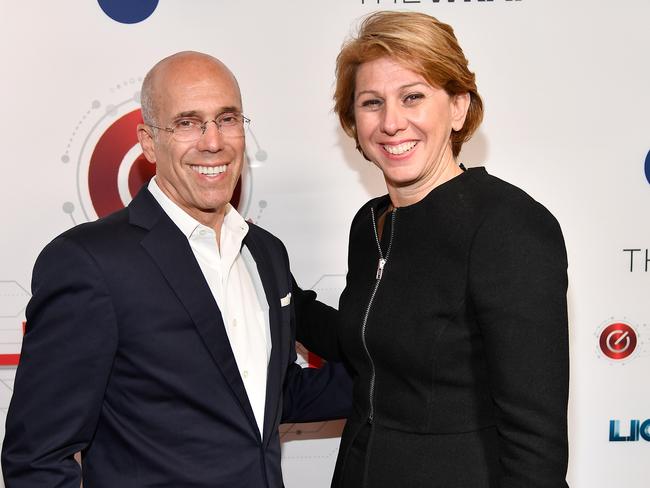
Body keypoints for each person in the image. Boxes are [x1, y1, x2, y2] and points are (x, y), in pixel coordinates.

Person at [2, 51, 351, 488]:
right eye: (187, 123)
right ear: (148, 142)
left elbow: (271, 396)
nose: (212, 141)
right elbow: (36, 457)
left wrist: (408, 377)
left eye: (227, 119)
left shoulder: (264, 252)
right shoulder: (90, 262)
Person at [294, 11, 569, 488]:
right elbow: (364, 340)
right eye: (371, 102)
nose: (391, 122)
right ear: (353, 121)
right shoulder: (371, 224)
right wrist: (271, 281)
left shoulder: (509, 228)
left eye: (413, 97)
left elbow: (536, 444)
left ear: (458, 107)